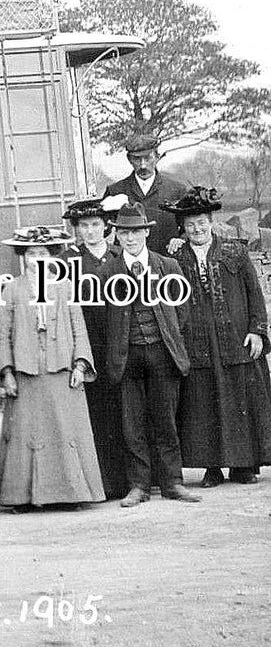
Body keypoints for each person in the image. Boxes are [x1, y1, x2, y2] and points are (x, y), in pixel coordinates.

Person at [161, 187, 271, 487]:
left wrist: (257, 330)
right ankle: (211, 467)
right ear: (182, 227)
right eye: (190, 224)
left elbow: (254, 293)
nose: (197, 229)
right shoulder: (175, 259)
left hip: (235, 337)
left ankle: (244, 465)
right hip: (196, 339)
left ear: (212, 222)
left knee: (239, 399)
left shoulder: (235, 251)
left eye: (202, 223)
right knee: (202, 401)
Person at [0, 227, 105, 511]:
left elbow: (79, 328)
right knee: (26, 432)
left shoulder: (65, 287)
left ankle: (69, 493)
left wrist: (80, 363)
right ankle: (23, 497)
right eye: (31, 254)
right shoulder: (12, 289)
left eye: (42, 253)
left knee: (64, 429)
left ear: (52, 256)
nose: (37, 259)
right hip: (26, 370)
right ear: (23, 257)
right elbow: (3, 334)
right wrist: (7, 372)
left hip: (61, 368)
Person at [102, 201, 199, 506]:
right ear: (116, 236)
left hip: (162, 352)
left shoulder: (167, 266)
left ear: (145, 232)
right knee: (133, 425)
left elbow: (181, 312)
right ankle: (139, 486)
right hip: (127, 355)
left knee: (165, 421)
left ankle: (172, 482)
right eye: (123, 233)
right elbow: (105, 317)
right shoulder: (108, 271)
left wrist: (165, 337)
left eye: (135, 232)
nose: (129, 239)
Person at [62, 194, 130, 499]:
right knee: (95, 414)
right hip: (89, 342)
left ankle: (132, 478)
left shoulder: (120, 255)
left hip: (120, 341)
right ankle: (102, 481)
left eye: (95, 224)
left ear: (106, 227)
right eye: (83, 226)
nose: (89, 231)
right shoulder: (69, 260)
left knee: (125, 410)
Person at [104, 133, 189, 255]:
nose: (143, 165)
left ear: (157, 157)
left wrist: (181, 240)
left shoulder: (177, 190)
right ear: (129, 159)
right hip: (126, 265)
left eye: (148, 158)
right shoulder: (115, 191)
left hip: (167, 263)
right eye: (137, 159)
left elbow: (189, 226)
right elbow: (101, 229)